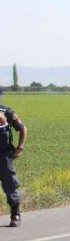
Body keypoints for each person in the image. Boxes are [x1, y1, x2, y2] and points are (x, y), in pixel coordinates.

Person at [0, 86, 27, 227]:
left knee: (10, 183)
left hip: (3, 155)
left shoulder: (6, 112)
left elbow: (22, 128)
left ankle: (15, 213)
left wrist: (20, 148)